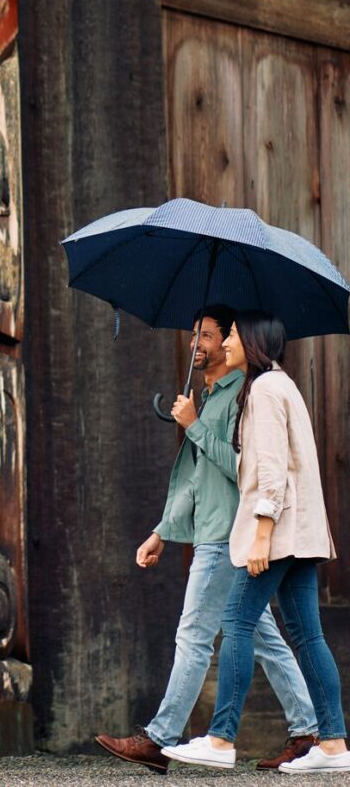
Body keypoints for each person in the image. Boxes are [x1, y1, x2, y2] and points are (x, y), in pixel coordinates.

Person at [96, 305, 317, 774]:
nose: (197, 343)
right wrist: (162, 531)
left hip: (227, 534)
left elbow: (243, 468)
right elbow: (196, 480)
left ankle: (158, 739)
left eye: (210, 335)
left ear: (231, 342)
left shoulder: (246, 393)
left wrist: (193, 425)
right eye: (194, 334)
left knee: (194, 634)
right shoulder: (210, 394)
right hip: (212, 531)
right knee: (263, 637)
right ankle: (307, 729)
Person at [162, 311, 349, 774]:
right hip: (301, 533)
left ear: (254, 341)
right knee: (307, 636)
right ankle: (333, 744)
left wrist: (261, 533)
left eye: (231, 334)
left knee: (238, 624)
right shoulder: (279, 385)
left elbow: (270, 471)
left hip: (279, 534)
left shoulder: (263, 391)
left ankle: (222, 739)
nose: (225, 342)